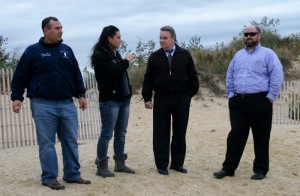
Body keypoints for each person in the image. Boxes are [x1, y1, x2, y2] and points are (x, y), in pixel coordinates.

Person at [11, 16, 91, 190]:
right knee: (47, 143)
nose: (60, 31)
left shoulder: (67, 50)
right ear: (46, 30)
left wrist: (81, 94)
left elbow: (76, 74)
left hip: (67, 104)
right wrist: (17, 97)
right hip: (42, 104)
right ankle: (49, 177)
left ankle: (72, 174)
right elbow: (20, 76)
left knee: (70, 140)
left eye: (61, 27)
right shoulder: (33, 51)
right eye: (56, 28)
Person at [213, 25, 284, 180]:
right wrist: (231, 95)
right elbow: (230, 75)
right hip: (238, 102)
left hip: (260, 101)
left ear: (259, 35)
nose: (249, 36)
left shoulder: (268, 54)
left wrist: (270, 97)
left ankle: (260, 170)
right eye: (246, 34)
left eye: (252, 34)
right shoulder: (238, 55)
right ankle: (228, 168)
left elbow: (277, 75)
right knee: (235, 135)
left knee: (261, 137)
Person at [142, 26, 199, 175]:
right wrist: (147, 97)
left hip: (181, 99)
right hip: (162, 99)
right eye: (160, 38)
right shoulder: (155, 57)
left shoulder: (185, 55)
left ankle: (177, 164)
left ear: (173, 38)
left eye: (165, 38)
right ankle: (161, 165)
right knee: (161, 133)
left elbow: (193, 77)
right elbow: (148, 78)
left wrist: (188, 95)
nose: (162, 40)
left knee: (180, 132)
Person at [90, 25, 135, 178]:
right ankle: (101, 166)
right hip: (110, 100)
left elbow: (119, 71)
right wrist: (126, 61)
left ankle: (120, 164)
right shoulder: (99, 55)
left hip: (123, 99)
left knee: (121, 133)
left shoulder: (115, 53)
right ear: (109, 38)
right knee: (107, 133)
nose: (120, 40)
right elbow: (115, 71)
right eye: (118, 37)